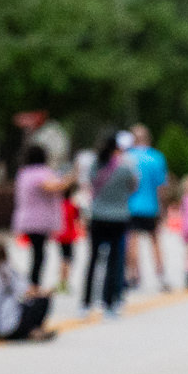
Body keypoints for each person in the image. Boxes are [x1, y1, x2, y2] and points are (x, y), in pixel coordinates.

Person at [84, 133, 139, 318]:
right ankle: (110, 302)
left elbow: (90, 184)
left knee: (93, 260)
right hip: (118, 217)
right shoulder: (124, 168)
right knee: (114, 261)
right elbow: (133, 186)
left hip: (98, 216)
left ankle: (86, 301)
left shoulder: (95, 166)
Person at [13, 143, 73, 291]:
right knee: (39, 255)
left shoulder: (23, 173)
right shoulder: (41, 173)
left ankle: (33, 283)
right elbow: (53, 187)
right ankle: (33, 284)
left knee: (37, 253)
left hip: (26, 218)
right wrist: (70, 179)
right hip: (38, 221)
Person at [123, 124, 170, 291]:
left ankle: (133, 275)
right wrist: (163, 207)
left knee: (132, 241)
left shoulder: (126, 157)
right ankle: (161, 275)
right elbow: (161, 187)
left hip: (131, 206)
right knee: (155, 240)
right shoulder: (156, 157)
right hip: (151, 206)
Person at [54, 184, 83, 294]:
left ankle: (62, 281)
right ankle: (64, 282)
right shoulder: (72, 206)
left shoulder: (59, 206)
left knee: (63, 258)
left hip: (60, 235)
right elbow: (77, 219)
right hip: (69, 236)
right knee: (68, 259)